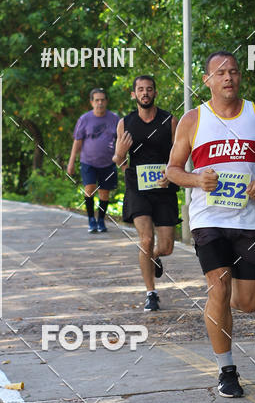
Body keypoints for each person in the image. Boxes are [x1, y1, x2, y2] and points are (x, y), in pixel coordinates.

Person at [166, 52, 255, 397]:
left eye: (233, 72)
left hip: (249, 219)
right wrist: (195, 179)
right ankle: (227, 370)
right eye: (220, 73)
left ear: (240, 77)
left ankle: (223, 309)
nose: (228, 77)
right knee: (218, 288)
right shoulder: (193, 119)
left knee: (246, 303)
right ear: (207, 81)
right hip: (209, 219)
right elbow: (173, 170)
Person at [112, 75, 179, 312]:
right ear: (134, 95)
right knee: (146, 240)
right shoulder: (125, 123)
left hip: (164, 187)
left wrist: (171, 173)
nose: (145, 93)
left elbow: (179, 153)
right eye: (140, 90)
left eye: (149, 89)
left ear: (155, 93)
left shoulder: (170, 120)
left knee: (167, 246)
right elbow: (118, 160)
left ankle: (154, 257)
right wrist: (120, 154)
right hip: (137, 187)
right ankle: (151, 293)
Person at [67, 88, 119, 233]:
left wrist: (121, 158)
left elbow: (120, 140)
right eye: (97, 100)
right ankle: (91, 219)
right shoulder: (84, 119)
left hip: (108, 163)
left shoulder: (114, 118)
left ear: (106, 101)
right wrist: (71, 162)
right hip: (88, 161)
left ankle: (101, 220)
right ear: (91, 102)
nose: (100, 103)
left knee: (104, 193)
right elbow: (77, 142)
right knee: (89, 189)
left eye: (102, 100)